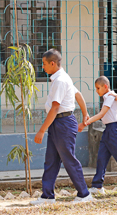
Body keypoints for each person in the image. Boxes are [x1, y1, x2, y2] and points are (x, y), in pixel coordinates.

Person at [30, 49, 94, 205]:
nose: (43, 67)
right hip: (59, 123)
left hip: (63, 123)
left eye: (44, 64)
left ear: (53, 63)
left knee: (68, 159)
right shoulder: (63, 78)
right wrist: (85, 114)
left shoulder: (60, 80)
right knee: (51, 160)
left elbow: (55, 108)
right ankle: (47, 196)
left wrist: (41, 130)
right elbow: (77, 95)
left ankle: (84, 194)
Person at [79, 76, 117, 196]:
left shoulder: (110, 97)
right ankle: (97, 186)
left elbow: (102, 113)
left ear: (105, 87)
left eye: (98, 88)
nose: (97, 91)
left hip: (113, 130)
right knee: (101, 158)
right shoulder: (111, 97)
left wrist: (86, 122)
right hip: (108, 129)